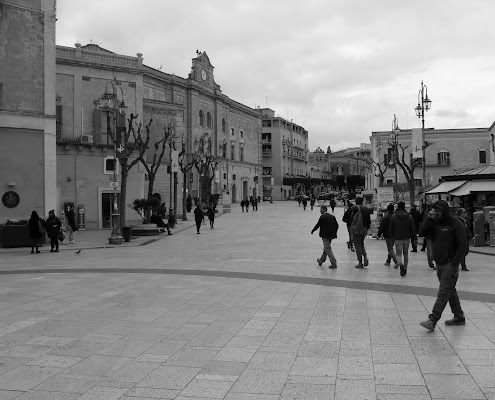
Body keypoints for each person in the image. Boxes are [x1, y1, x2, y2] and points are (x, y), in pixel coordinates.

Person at [419, 200, 468, 331]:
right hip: (439, 263)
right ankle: (459, 316)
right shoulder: (435, 223)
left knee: (443, 292)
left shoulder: (455, 223)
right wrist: (429, 218)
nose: (437, 213)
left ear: (444, 211)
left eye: (439, 211)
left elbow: (463, 245)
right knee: (450, 290)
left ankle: (433, 319)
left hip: (450, 263)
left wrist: (454, 263)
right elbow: (421, 232)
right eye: (435, 210)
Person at [389, 201, 417, 277]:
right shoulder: (409, 216)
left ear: (398, 206)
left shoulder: (394, 216)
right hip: (407, 238)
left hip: (397, 238)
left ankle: (400, 264)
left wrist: (391, 237)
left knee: (398, 254)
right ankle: (405, 268)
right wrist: (414, 238)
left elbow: (391, 228)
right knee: (406, 254)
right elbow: (412, 229)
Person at [350, 197, 371, 268]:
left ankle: (360, 262)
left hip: (356, 229)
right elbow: (369, 220)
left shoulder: (354, 208)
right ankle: (365, 257)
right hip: (364, 228)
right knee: (361, 243)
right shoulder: (366, 209)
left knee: (357, 245)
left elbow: (352, 219)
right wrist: (366, 228)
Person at [421, 203, 436, 270]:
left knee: (435, 250)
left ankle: (436, 262)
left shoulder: (437, 215)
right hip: (429, 235)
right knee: (430, 250)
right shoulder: (427, 215)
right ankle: (430, 263)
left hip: (436, 235)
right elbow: (424, 226)